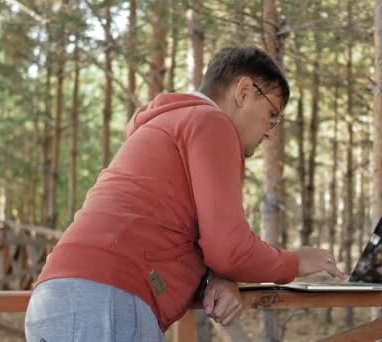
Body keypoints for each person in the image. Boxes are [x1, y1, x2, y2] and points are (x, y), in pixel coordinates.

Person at [24, 46, 344, 341]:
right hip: (107, 300)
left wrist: (218, 277)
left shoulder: (170, 124)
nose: (271, 132)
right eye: (273, 114)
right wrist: (295, 262)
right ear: (244, 91)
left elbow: (176, 232)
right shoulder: (210, 122)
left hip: (58, 300)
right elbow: (229, 249)